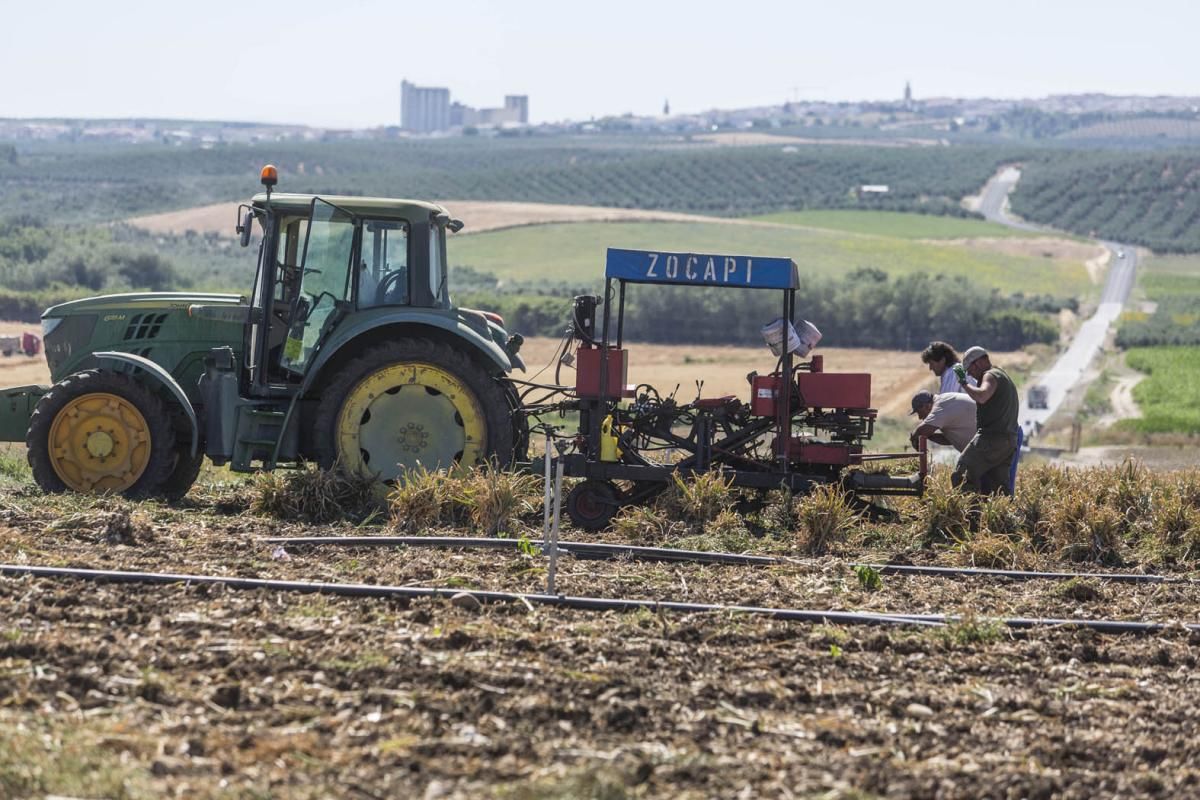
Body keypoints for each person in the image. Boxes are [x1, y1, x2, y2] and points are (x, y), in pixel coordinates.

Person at [951, 346, 1019, 495]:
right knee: (999, 490)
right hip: (1008, 441)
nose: (969, 373)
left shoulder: (990, 375)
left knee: (962, 473)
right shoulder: (1003, 376)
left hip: (991, 440)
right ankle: (1005, 517)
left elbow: (982, 396)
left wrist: (963, 383)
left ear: (980, 362)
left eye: (969, 368)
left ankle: (971, 516)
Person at [909, 390, 976, 452]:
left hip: (982, 445)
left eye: (919, 412)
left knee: (964, 464)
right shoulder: (944, 401)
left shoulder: (940, 406)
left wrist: (915, 438)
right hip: (981, 443)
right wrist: (928, 436)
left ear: (927, 406)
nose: (920, 417)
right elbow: (949, 440)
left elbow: (921, 431)